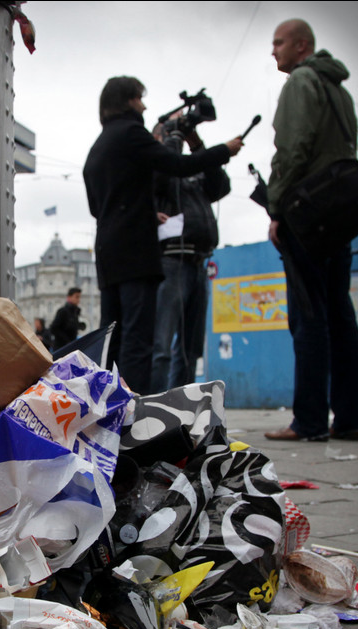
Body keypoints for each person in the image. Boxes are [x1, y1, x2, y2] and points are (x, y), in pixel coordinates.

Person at [83, 76, 242, 393]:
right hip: (137, 254)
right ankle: (138, 416)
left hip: (109, 251)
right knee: (140, 341)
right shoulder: (132, 134)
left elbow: (97, 205)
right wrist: (223, 150)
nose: (143, 106)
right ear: (129, 101)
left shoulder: (100, 145)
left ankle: (107, 408)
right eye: (140, 99)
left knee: (113, 339)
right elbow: (175, 165)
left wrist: (139, 211)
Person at [264, 19, 358, 443]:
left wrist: (277, 207)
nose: (273, 51)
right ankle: (350, 420)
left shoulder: (301, 82)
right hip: (339, 213)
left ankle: (308, 421)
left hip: (307, 214)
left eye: (279, 42)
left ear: (301, 46)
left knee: (308, 317)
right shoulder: (338, 89)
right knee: (340, 314)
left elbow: (293, 148)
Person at [148, 119, 231, 393]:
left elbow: (220, 185)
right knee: (161, 345)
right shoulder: (157, 169)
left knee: (190, 347)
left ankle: (178, 411)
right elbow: (159, 174)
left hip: (198, 262)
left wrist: (197, 145)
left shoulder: (192, 173)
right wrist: (173, 136)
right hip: (170, 261)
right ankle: (153, 407)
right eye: (171, 137)